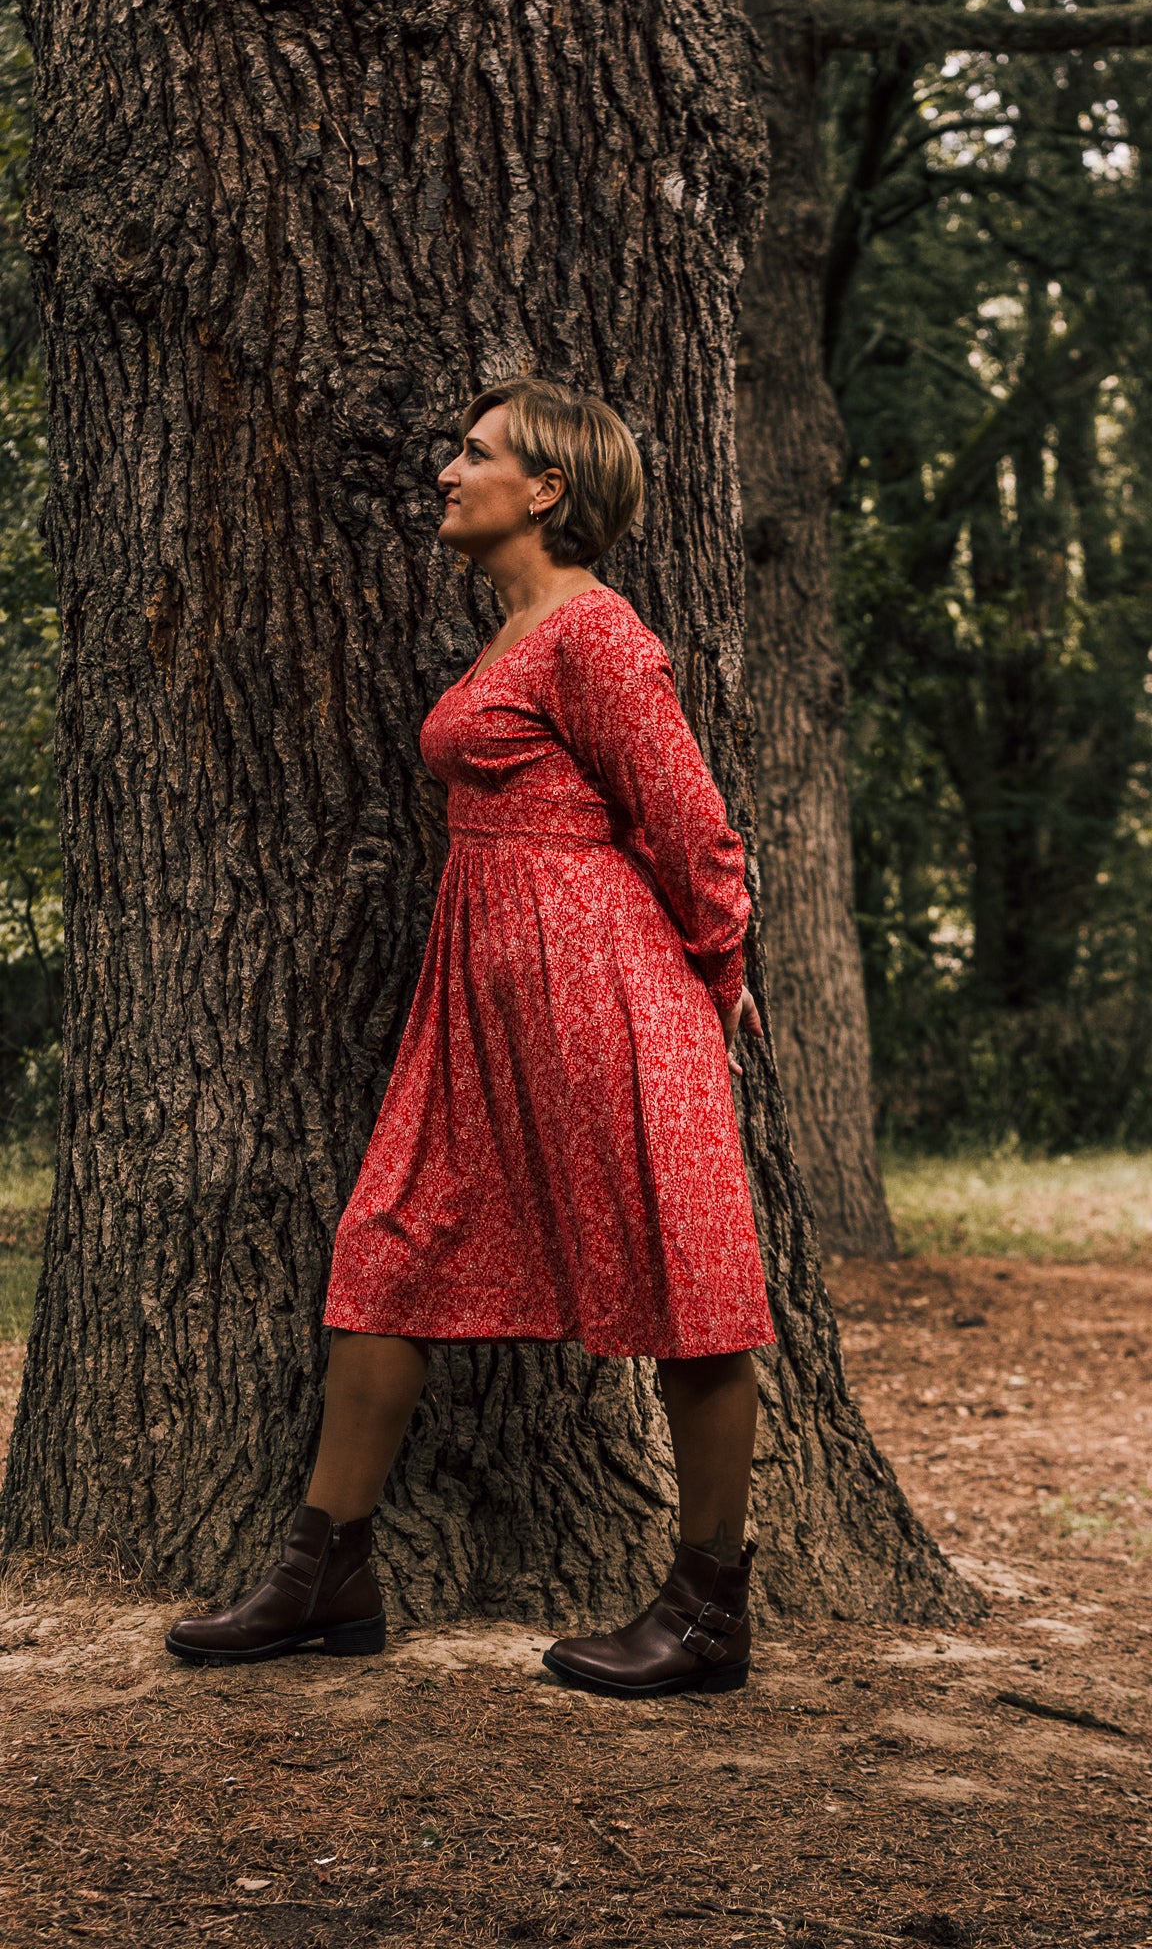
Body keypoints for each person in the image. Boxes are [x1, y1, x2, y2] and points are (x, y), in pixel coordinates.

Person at [166, 377, 776, 1697]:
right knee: (387, 1242)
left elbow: (693, 825)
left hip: (602, 982)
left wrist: (718, 976)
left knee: (688, 1275)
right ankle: (326, 1571)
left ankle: (712, 1608)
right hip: (481, 993)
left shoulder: (598, 634)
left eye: (477, 452)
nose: (449, 471)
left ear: (546, 490)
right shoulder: (518, 632)